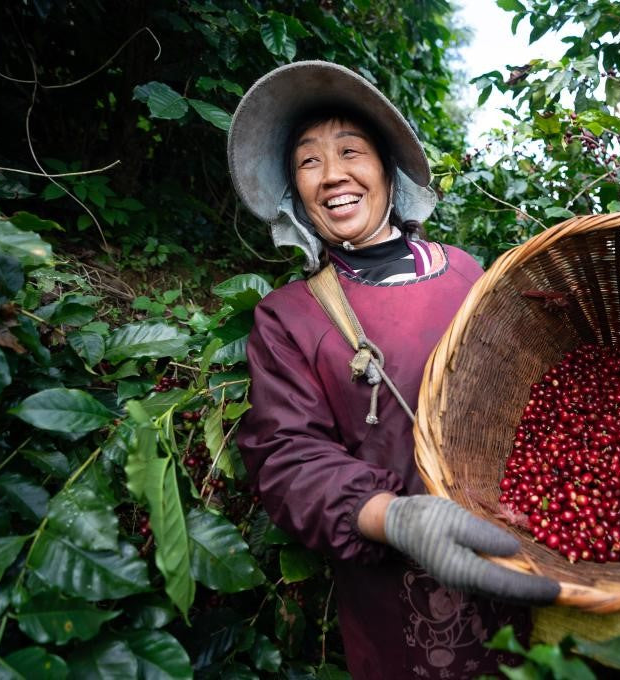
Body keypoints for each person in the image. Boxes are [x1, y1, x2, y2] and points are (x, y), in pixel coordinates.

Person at [230, 61, 559, 679]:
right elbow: (286, 460)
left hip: (523, 546)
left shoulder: (465, 271)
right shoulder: (290, 318)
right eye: (308, 163)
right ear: (293, 191)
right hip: (396, 607)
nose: (332, 176)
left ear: (384, 168)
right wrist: (394, 517)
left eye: (350, 151)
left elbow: (530, 381)